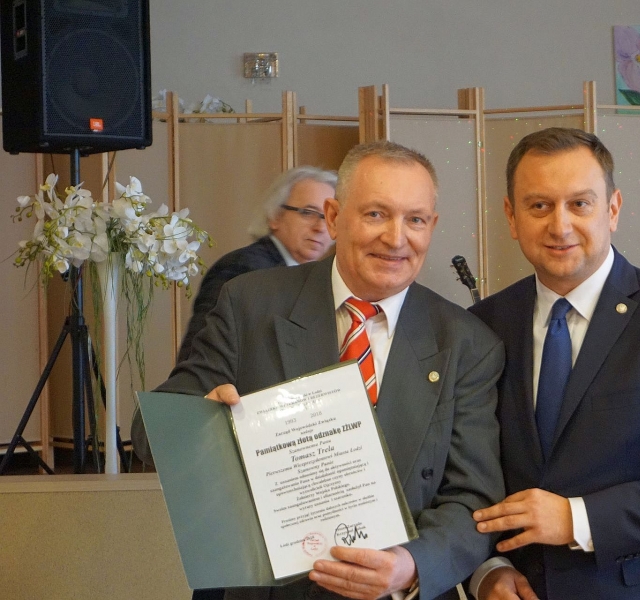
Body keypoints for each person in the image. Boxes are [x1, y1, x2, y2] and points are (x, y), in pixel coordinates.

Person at [133, 141, 505, 600]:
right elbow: (152, 430)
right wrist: (200, 425)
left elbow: (473, 497)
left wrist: (411, 565)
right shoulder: (250, 303)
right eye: (376, 214)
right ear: (333, 217)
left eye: (415, 220)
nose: (396, 238)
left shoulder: (467, 343)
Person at [467, 127, 640, 599]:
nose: (560, 226)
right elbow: (467, 479)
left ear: (613, 209)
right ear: (511, 216)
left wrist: (576, 518)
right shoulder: (483, 325)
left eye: (580, 204)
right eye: (539, 206)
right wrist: (486, 570)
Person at [176, 166, 337, 364]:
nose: (320, 227)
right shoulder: (243, 269)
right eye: (308, 213)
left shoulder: (320, 280)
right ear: (275, 216)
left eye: (329, 218)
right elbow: (200, 358)